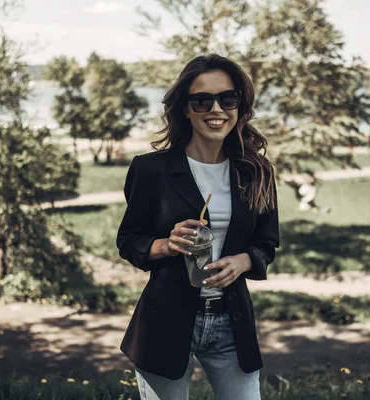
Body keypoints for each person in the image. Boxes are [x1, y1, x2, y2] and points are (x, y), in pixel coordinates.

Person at [116, 54, 279, 400]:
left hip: (231, 323)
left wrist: (244, 262)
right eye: (202, 100)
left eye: (227, 98)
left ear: (240, 105)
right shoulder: (150, 170)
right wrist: (167, 244)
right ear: (186, 109)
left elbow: (267, 242)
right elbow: (130, 241)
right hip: (164, 323)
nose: (216, 109)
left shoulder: (257, 172)